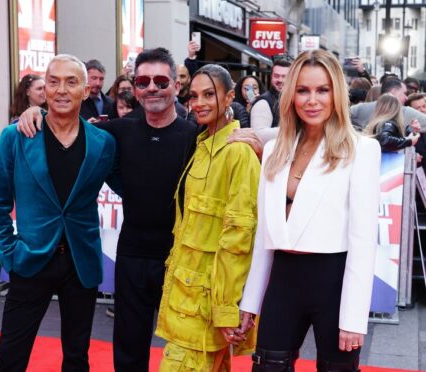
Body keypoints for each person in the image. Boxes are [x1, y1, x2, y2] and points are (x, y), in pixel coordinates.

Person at [16, 48, 263, 372]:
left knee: (190, 353)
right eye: (143, 81)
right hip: (132, 258)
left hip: (180, 263)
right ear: (134, 86)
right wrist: (34, 113)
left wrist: (260, 142)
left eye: (161, 80)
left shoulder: (197, 137)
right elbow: (70, 127)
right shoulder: (118, 131)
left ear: (176, 86)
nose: (152, 88)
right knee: (128, 354)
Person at [239, 49, 381, 372]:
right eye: (303, 90)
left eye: (322, 90)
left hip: (334, 282)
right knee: (266, 367)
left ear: (337, 94)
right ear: (290, 95)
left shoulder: (361, 150)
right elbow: (265, 233)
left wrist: (354, 319)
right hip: (283, 281)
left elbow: (362, 243)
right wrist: (250, 300)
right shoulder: (275, 149)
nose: (312, 100)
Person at [0, 54, 116, 371]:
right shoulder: (16, 136)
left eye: (71, 82)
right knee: (10, 358)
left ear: (86, 90)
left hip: (80, 263)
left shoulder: (103, 142)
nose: (61, 90)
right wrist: (9, 251)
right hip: (29, 260)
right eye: (53, 81)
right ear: (44, 88)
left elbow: (134, 179)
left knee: (76, 358)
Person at [155, 64, 260, 371]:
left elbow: (239, 238)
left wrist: (227, 310)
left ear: (229, 97)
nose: (198, 102)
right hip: (185, 297)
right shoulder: (203, 144)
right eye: (194, 95)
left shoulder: (238, 153)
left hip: (206, 305)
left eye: (209, 94)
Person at [350, 76, 426, 131]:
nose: (406, 97)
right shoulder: (405, 111)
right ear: (393, 92)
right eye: (404, 93)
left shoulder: (359, 109)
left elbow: (340, 119)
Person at [250, 59, 291, 143]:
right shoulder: (263, 103)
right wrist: (295, 129)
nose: (280, 80)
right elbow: (259, 135)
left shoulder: (293, 98)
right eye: (276, 76)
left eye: (284, 76)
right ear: (271, 76)